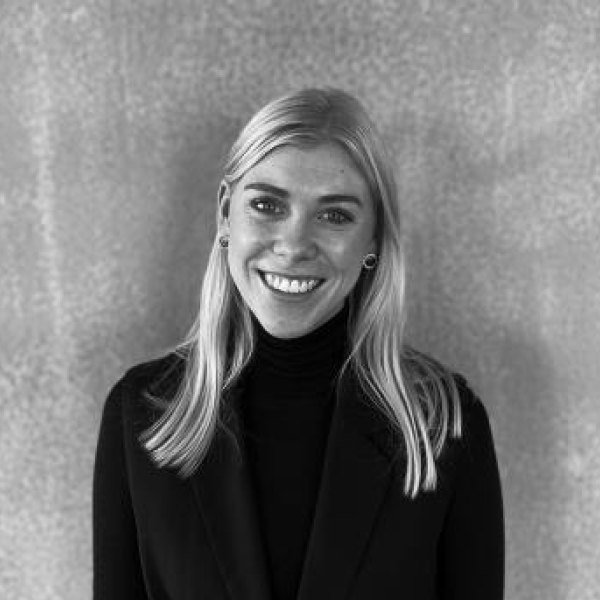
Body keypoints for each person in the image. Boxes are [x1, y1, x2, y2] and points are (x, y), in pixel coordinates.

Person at [93, 87, 504, 600]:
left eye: (334, 216)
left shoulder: (444, 424)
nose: (292, 246)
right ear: (225, 214)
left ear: (373, 239)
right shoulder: (141, 414)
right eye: (267, 205)